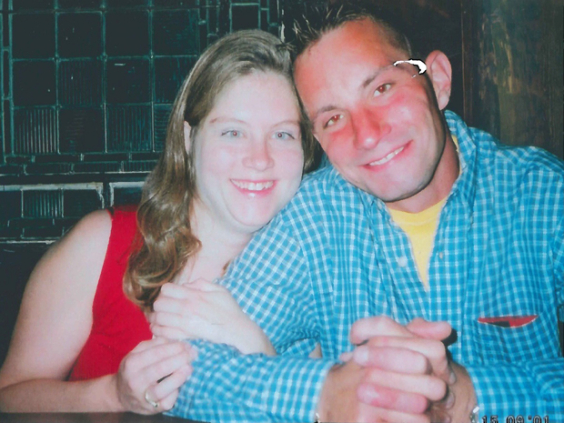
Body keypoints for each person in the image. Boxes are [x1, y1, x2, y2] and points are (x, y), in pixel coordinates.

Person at [162, 2, 564, 422]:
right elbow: (188, 371)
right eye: (333, 118)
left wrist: (465, 398)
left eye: (382, 89)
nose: (367, 135)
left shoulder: (541, 195)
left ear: (437, 80)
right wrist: (325, 394)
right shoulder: (314, 217)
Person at [0, 30, 317, 414]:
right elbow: (8, 397)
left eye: (282, 134)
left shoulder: (316, 279)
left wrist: (258, 348)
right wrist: (113, 395)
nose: (260, 158)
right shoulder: (101, 245)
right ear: (188, 138)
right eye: (233, 132)